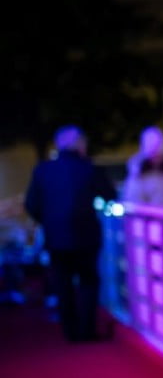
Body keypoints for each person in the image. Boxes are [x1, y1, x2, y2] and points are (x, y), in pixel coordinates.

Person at [24, 126, 118, 341]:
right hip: (86, 236)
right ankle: (87, 330)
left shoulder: (43, 170)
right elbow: (110, 194)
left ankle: (70, 332)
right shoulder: (89, 168)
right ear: (79, 144)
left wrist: (48, 221)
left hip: (56, 238)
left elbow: (32, 204)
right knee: (88, 282)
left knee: (62, 284)